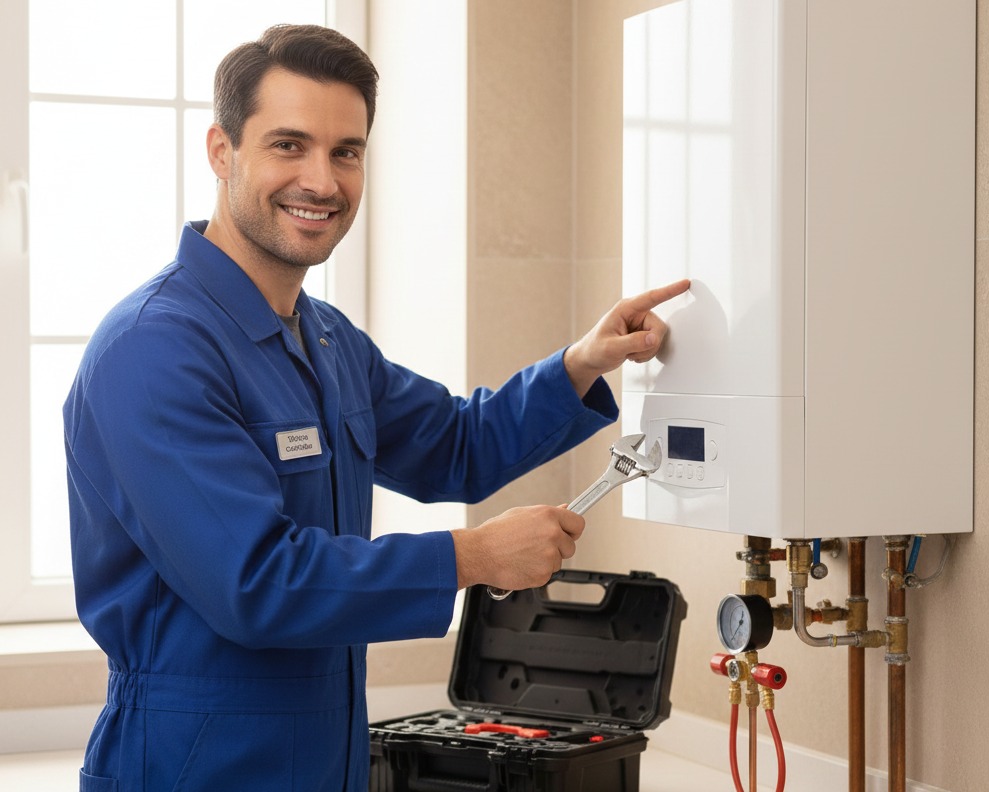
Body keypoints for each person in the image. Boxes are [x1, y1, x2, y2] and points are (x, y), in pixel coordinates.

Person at [63, 24, 689, 792]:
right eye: (288, 145)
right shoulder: (153, 350)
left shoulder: (323, 338)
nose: (322, 182)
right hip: (189, 760)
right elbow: (256, 583)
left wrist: (580, 363)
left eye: (346, 151)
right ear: (222, 152)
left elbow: (456, 445)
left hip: (328, 753)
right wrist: (474, 557)